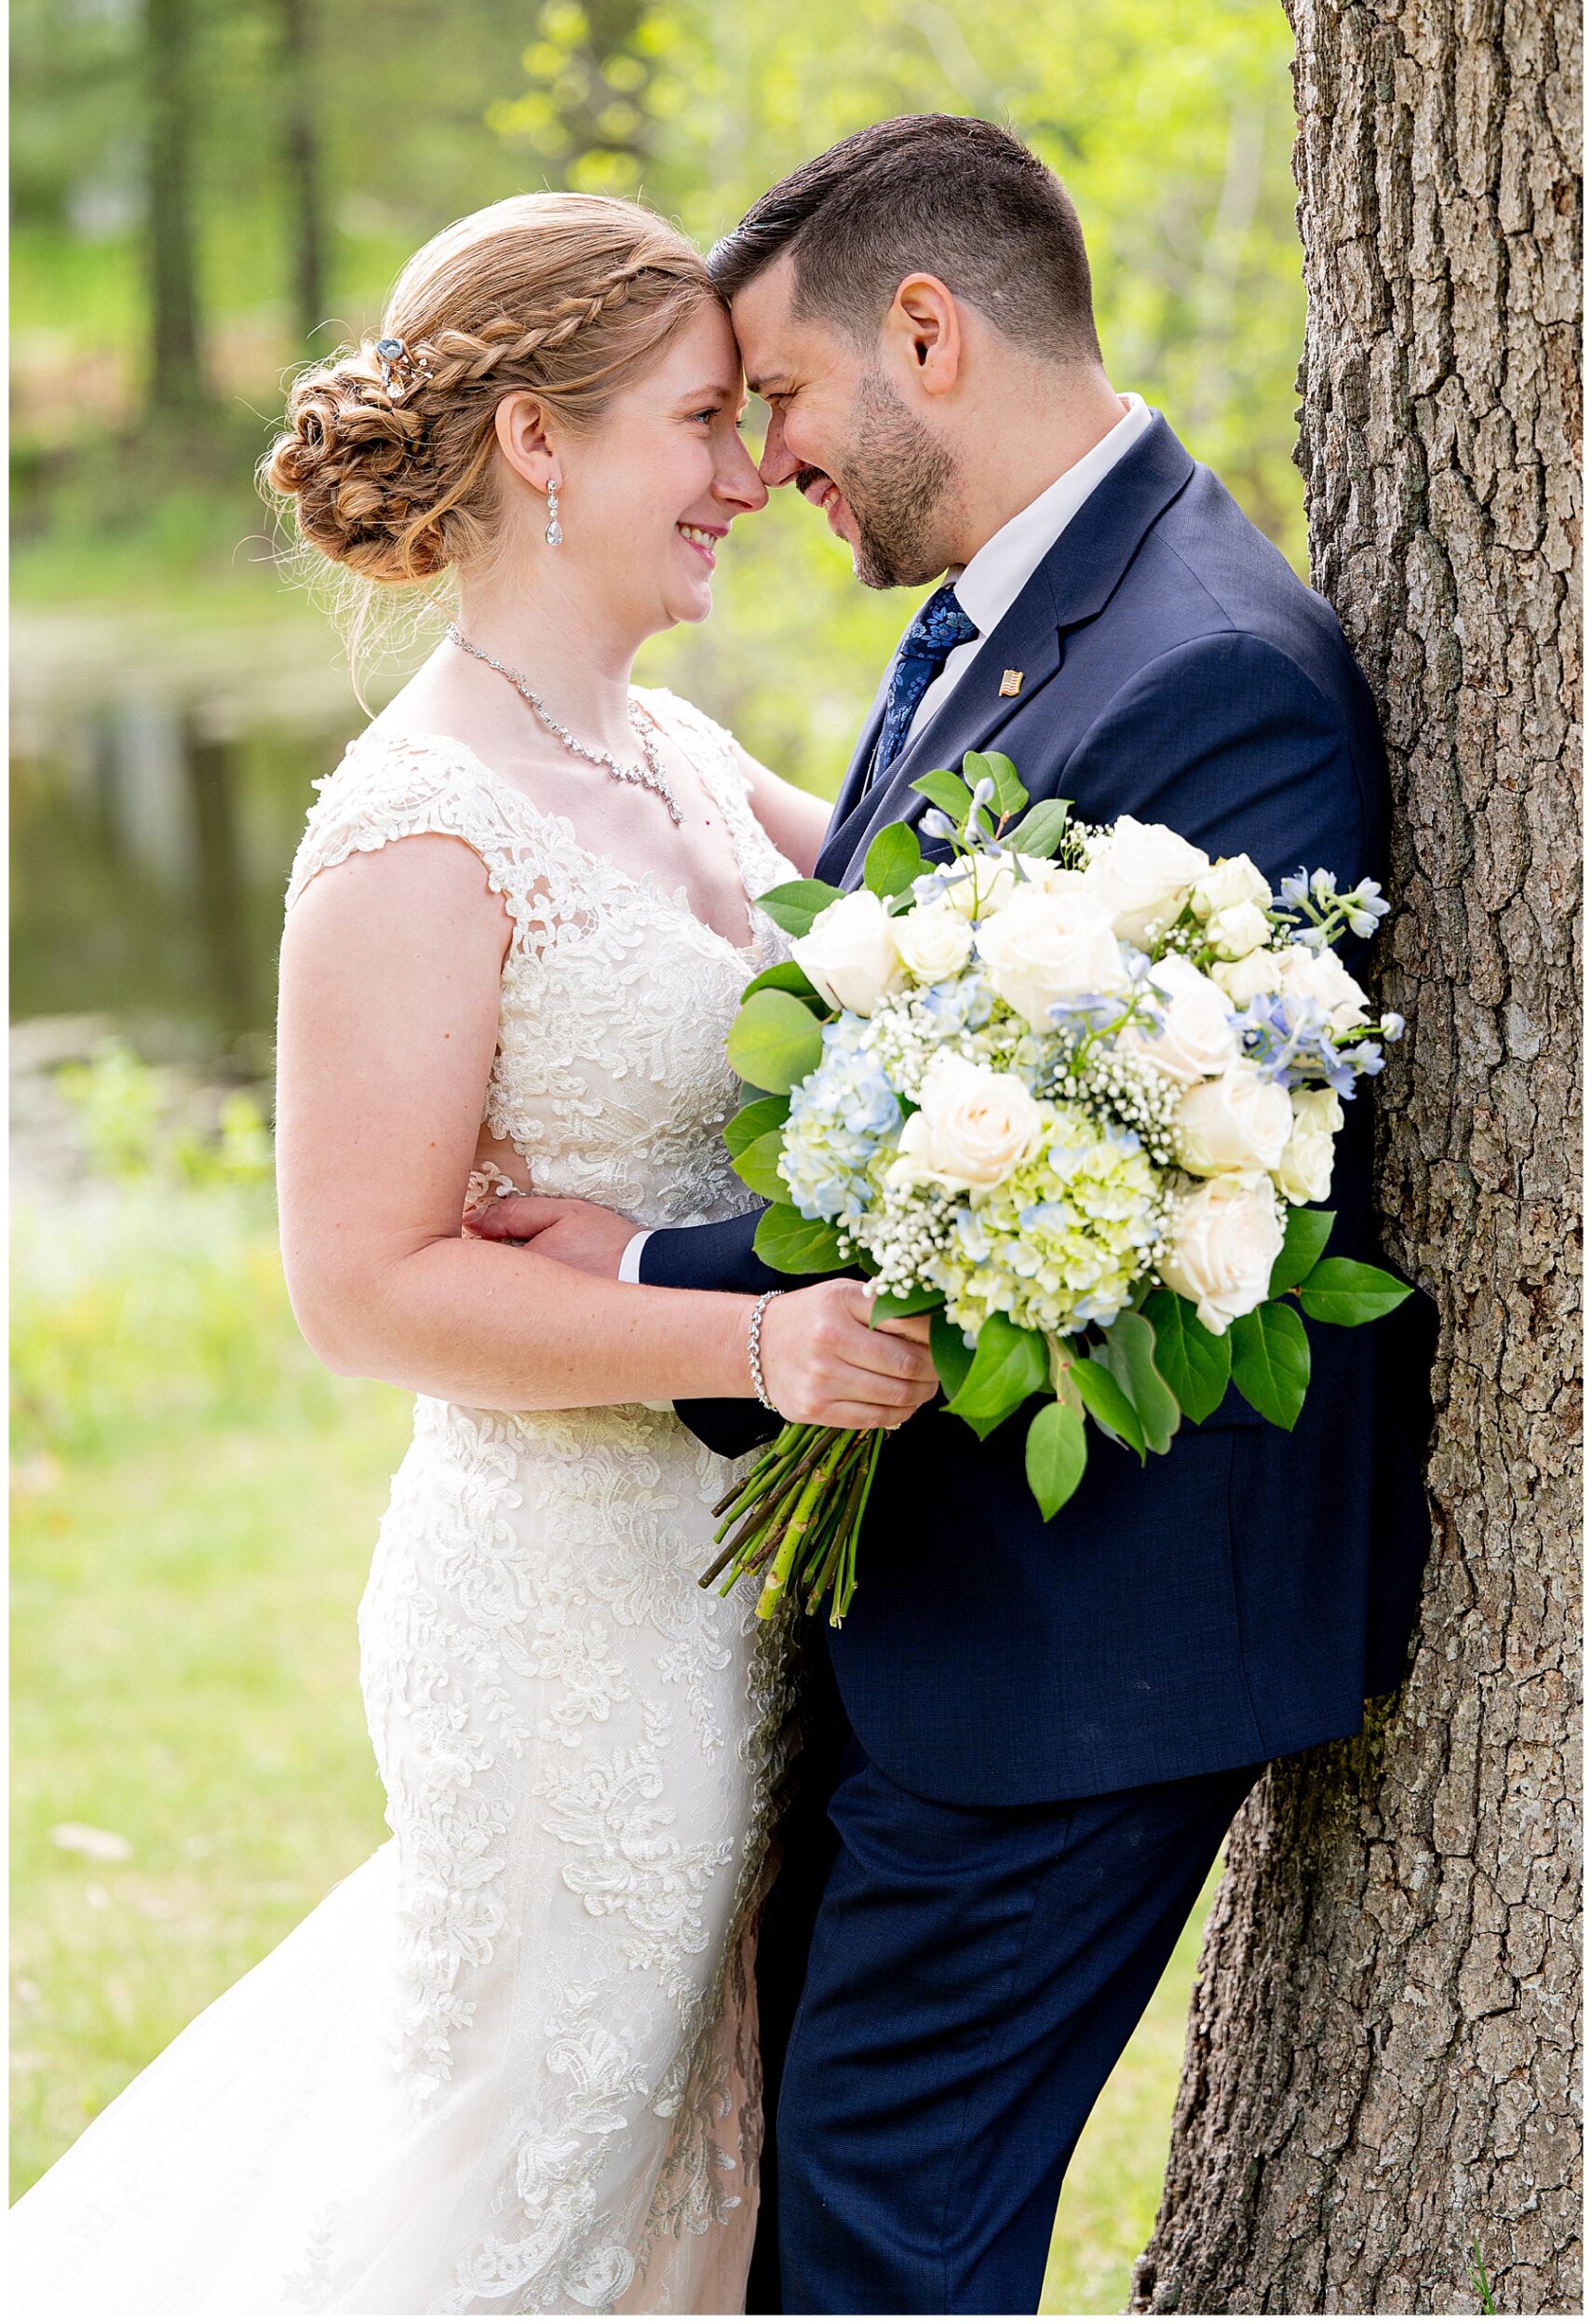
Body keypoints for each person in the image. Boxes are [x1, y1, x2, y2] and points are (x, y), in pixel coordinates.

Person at [472, 116, 1437, 2315]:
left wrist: (635, 1275)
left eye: (782, 402)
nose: (767, 462)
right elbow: (921, 1009)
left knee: (878, 2240)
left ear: (930, 331)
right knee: (827, 2204)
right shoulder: (1022, 613)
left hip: (1083, 1649)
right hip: (959, 1618)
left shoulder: (1209, 670)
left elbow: (1077, 1215)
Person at [6, 191, 939, 2315]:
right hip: (557, 1631)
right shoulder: (418, 831)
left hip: (725, 1609)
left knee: (680, 2169)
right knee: (529, 2167)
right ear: (540, 441)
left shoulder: (670, 746)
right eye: (703, 422)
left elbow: (938, 913)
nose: (746, 474)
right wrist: (755, 1332)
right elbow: (362, 1289)